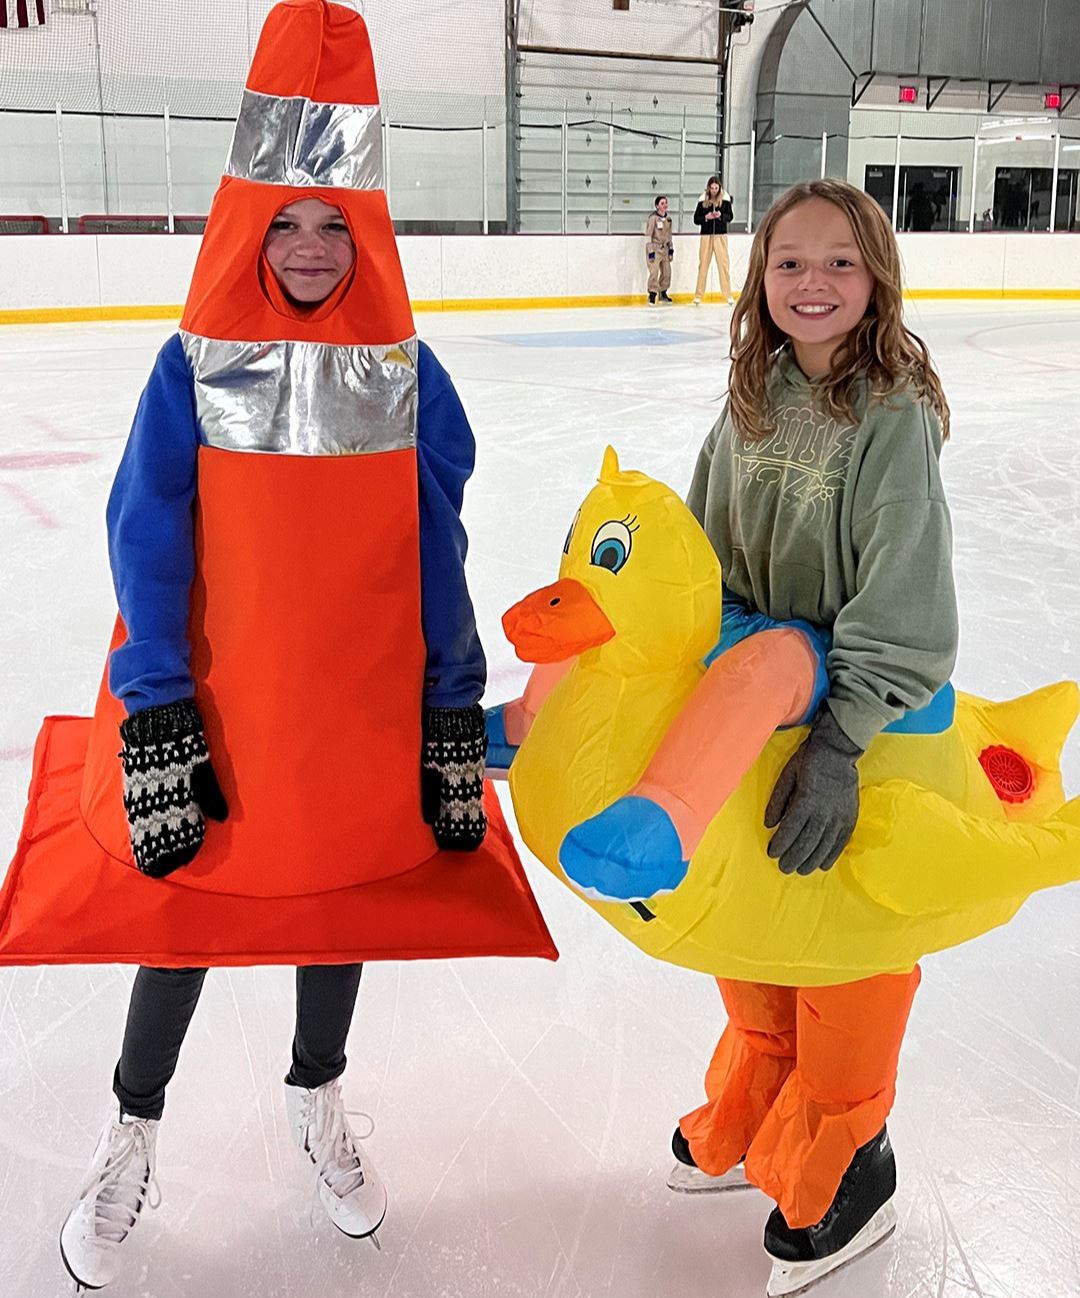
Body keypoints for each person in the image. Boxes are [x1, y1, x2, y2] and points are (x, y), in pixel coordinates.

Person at [51, 2, 559, 1290]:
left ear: (371, 229)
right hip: (216, 699)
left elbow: (430, 545)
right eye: (288, 218)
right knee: (185, 911)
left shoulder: (409, 373)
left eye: (338, 221)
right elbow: (143, 532)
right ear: (247, 225)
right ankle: (131, 1123)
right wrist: (158, 698)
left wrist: (451, 701)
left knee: (338, 888)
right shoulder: (194, 368)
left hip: (353, 707)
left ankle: (316, 1095)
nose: (315, 243)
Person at [535, 178, 957, 1294]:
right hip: (752, 674)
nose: (812, 285)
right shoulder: (756, 396)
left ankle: (849, 1137)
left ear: (875, 281)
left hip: (841, 681)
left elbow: (905, 600)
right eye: (789, 264)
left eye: (839, 265)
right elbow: (697, 552)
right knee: (749, 897)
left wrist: (843, 736)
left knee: (840, 918)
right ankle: (766, 1075)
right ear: (759, 279)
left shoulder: (895, 416)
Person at [692, 176, 735, 305]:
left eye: (716, 188)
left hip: (720, 236)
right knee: (703, 265)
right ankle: (698, 295)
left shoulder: (725, 200)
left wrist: (721, 216)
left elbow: (730, 217)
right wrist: (706, 217)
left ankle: (728, 295)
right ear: (709, 188)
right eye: (712, 188)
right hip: (706, 236)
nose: (714, 190)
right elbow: (696, 219)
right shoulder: (702, 201)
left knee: (723, 265)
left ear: (719, 188)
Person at [645, 195, 674, 305]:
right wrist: (650, 251)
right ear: (657, 206)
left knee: (667, 271)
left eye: (666, 203)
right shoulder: (653, 219)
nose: (665, 205)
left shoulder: (668, 219)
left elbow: (669, 235)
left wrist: (671, 249)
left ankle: (663, 292)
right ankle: (652, 294)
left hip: (665, 249)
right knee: (654, 271)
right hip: (655, 248)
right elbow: (648, 235)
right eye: (662, 203)